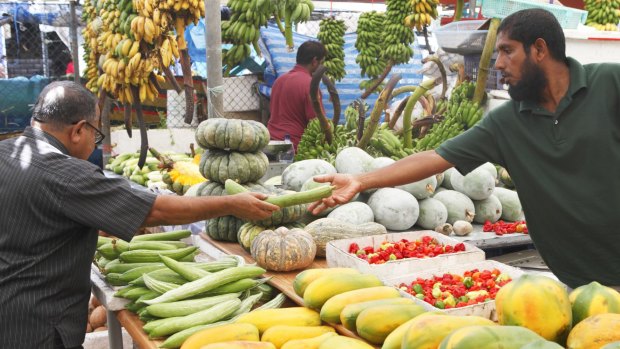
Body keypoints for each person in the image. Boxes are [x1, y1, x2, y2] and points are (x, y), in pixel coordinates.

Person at [310, 8, 620, 290]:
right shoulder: (507, 123)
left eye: (507, 51)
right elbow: (435, 158)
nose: (498, 63)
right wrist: (361, 181)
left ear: (539, 49)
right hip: (582, 287)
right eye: (497, 52)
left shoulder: (609, 83)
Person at [0, 81, 279, 348]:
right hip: (37, 329)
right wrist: (230, 203)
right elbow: (154, 210)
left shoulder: (5, 153)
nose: (94, 144)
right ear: (78, 130)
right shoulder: (67, 174)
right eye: (96, 135)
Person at [267, 40, 326, 150]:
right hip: (294, 146)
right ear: (314, 61)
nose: (321, 66)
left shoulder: (279, 81)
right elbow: (317, 122)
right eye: (321, 63)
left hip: (270, 141)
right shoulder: (310, 85)